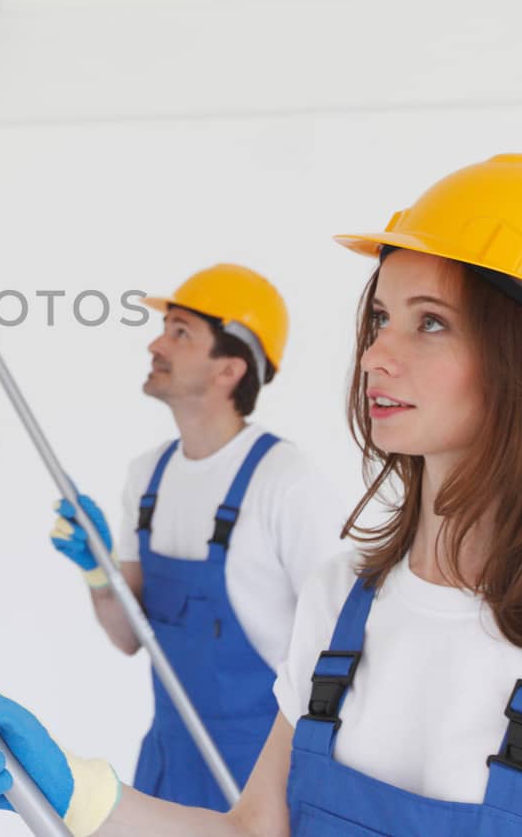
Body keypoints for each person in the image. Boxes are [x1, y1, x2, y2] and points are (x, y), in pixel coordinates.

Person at [0, 154, 522, 835]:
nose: (375, 356)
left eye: (430, 322)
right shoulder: (341, 601)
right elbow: (255, 830)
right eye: (378, 318)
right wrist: (79, 794)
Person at [49, 264, 348, 808]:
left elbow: (344, 647)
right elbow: (128, 636)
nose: (155, 343)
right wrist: (98, 570)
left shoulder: (284, 482)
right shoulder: (149, 478)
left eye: (180, 331)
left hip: (261, 778)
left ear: (229, 369)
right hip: (168, 764)